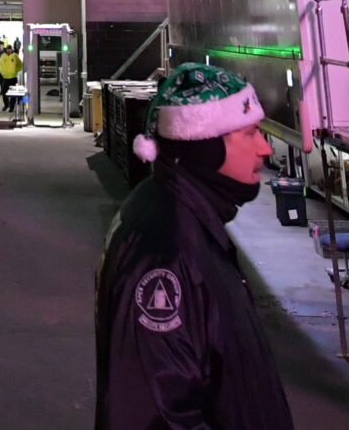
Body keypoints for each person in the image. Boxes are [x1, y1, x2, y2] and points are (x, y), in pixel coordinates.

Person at [96, 64, 290, 430]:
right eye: (250, 134)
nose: (265, 149)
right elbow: (155, 416)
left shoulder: (188, 219)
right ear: (206, 146)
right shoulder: (165, 252)